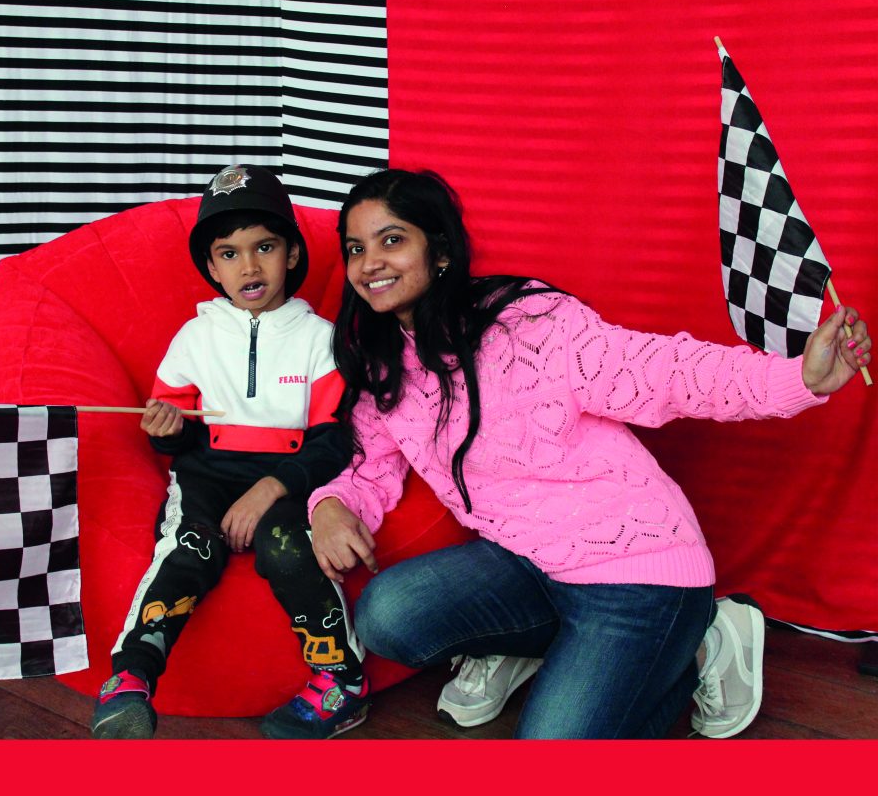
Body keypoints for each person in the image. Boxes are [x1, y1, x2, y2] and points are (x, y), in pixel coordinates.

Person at [307, 168, 871, 740]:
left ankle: (702, 641)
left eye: (392, 239)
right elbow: (370, 467)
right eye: (356, 248)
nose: (369, 263)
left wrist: (799, 379)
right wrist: (331, 504)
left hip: (636, 572)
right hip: (524, 561)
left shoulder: (530, 322)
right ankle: (542, 647)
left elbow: (662, 371)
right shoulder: (382, 365)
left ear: (442, 250)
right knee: (387, 616)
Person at [90, 164, 369, 740]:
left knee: (288, 548)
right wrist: (166, 430)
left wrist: (271, 491)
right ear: (211, 267)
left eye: (264, 247)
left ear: (291, 254)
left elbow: (334, 441)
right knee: (189, 549)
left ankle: (342, 678)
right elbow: (177, 434)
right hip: (208, 475)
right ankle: (131, 681)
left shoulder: (321, 339)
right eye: (229, 253)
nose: (249, 266)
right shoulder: (194, 336)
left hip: (288, 478)